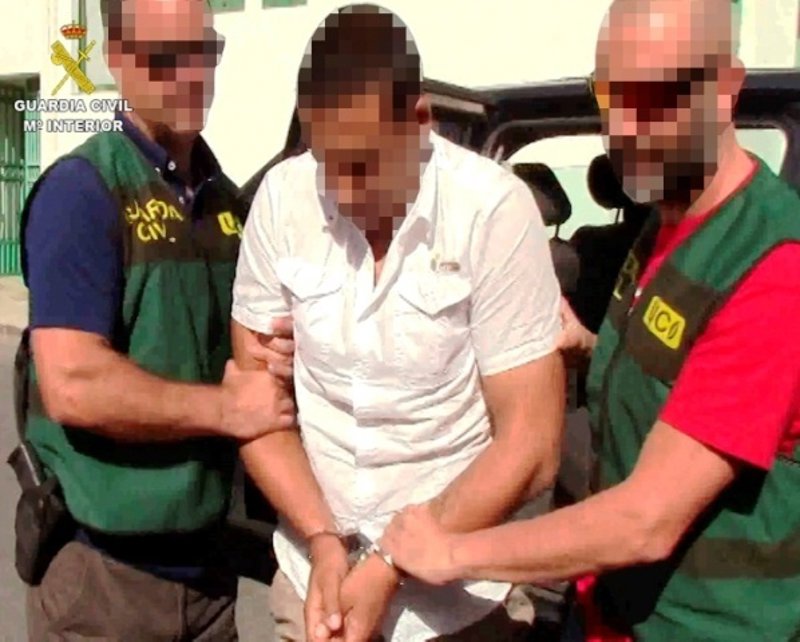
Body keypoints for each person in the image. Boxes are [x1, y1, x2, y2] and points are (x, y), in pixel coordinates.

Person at [380, 1, 800, 641]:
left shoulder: (773, 266)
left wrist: (451, 551)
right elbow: (689, 379)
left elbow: (646, 520)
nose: (623, 126)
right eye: (610, 94)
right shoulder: (664, 222)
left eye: (655, 97)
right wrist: (592, 345)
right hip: (606, 610)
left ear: (726, 89)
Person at [230, 4, 565, 641]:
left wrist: (389, 563)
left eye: (363, 166)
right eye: (327, 164)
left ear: (418, 121)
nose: (344, 193)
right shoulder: (283, 199)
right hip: (315, 586)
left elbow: (533, 446)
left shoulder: (491, 211)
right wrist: (324, 541)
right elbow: (254, 407)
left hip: (460, 606)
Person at [18, 0, 295, 639]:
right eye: (165, 57)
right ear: (118, 59)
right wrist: (227, 409)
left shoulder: (225, 204)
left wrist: (277, 354)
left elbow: (235, 350)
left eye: (202, 52)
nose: (189, 74)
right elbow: (73, 384)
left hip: (210, 580)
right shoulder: (84, 191)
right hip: (104, 582)